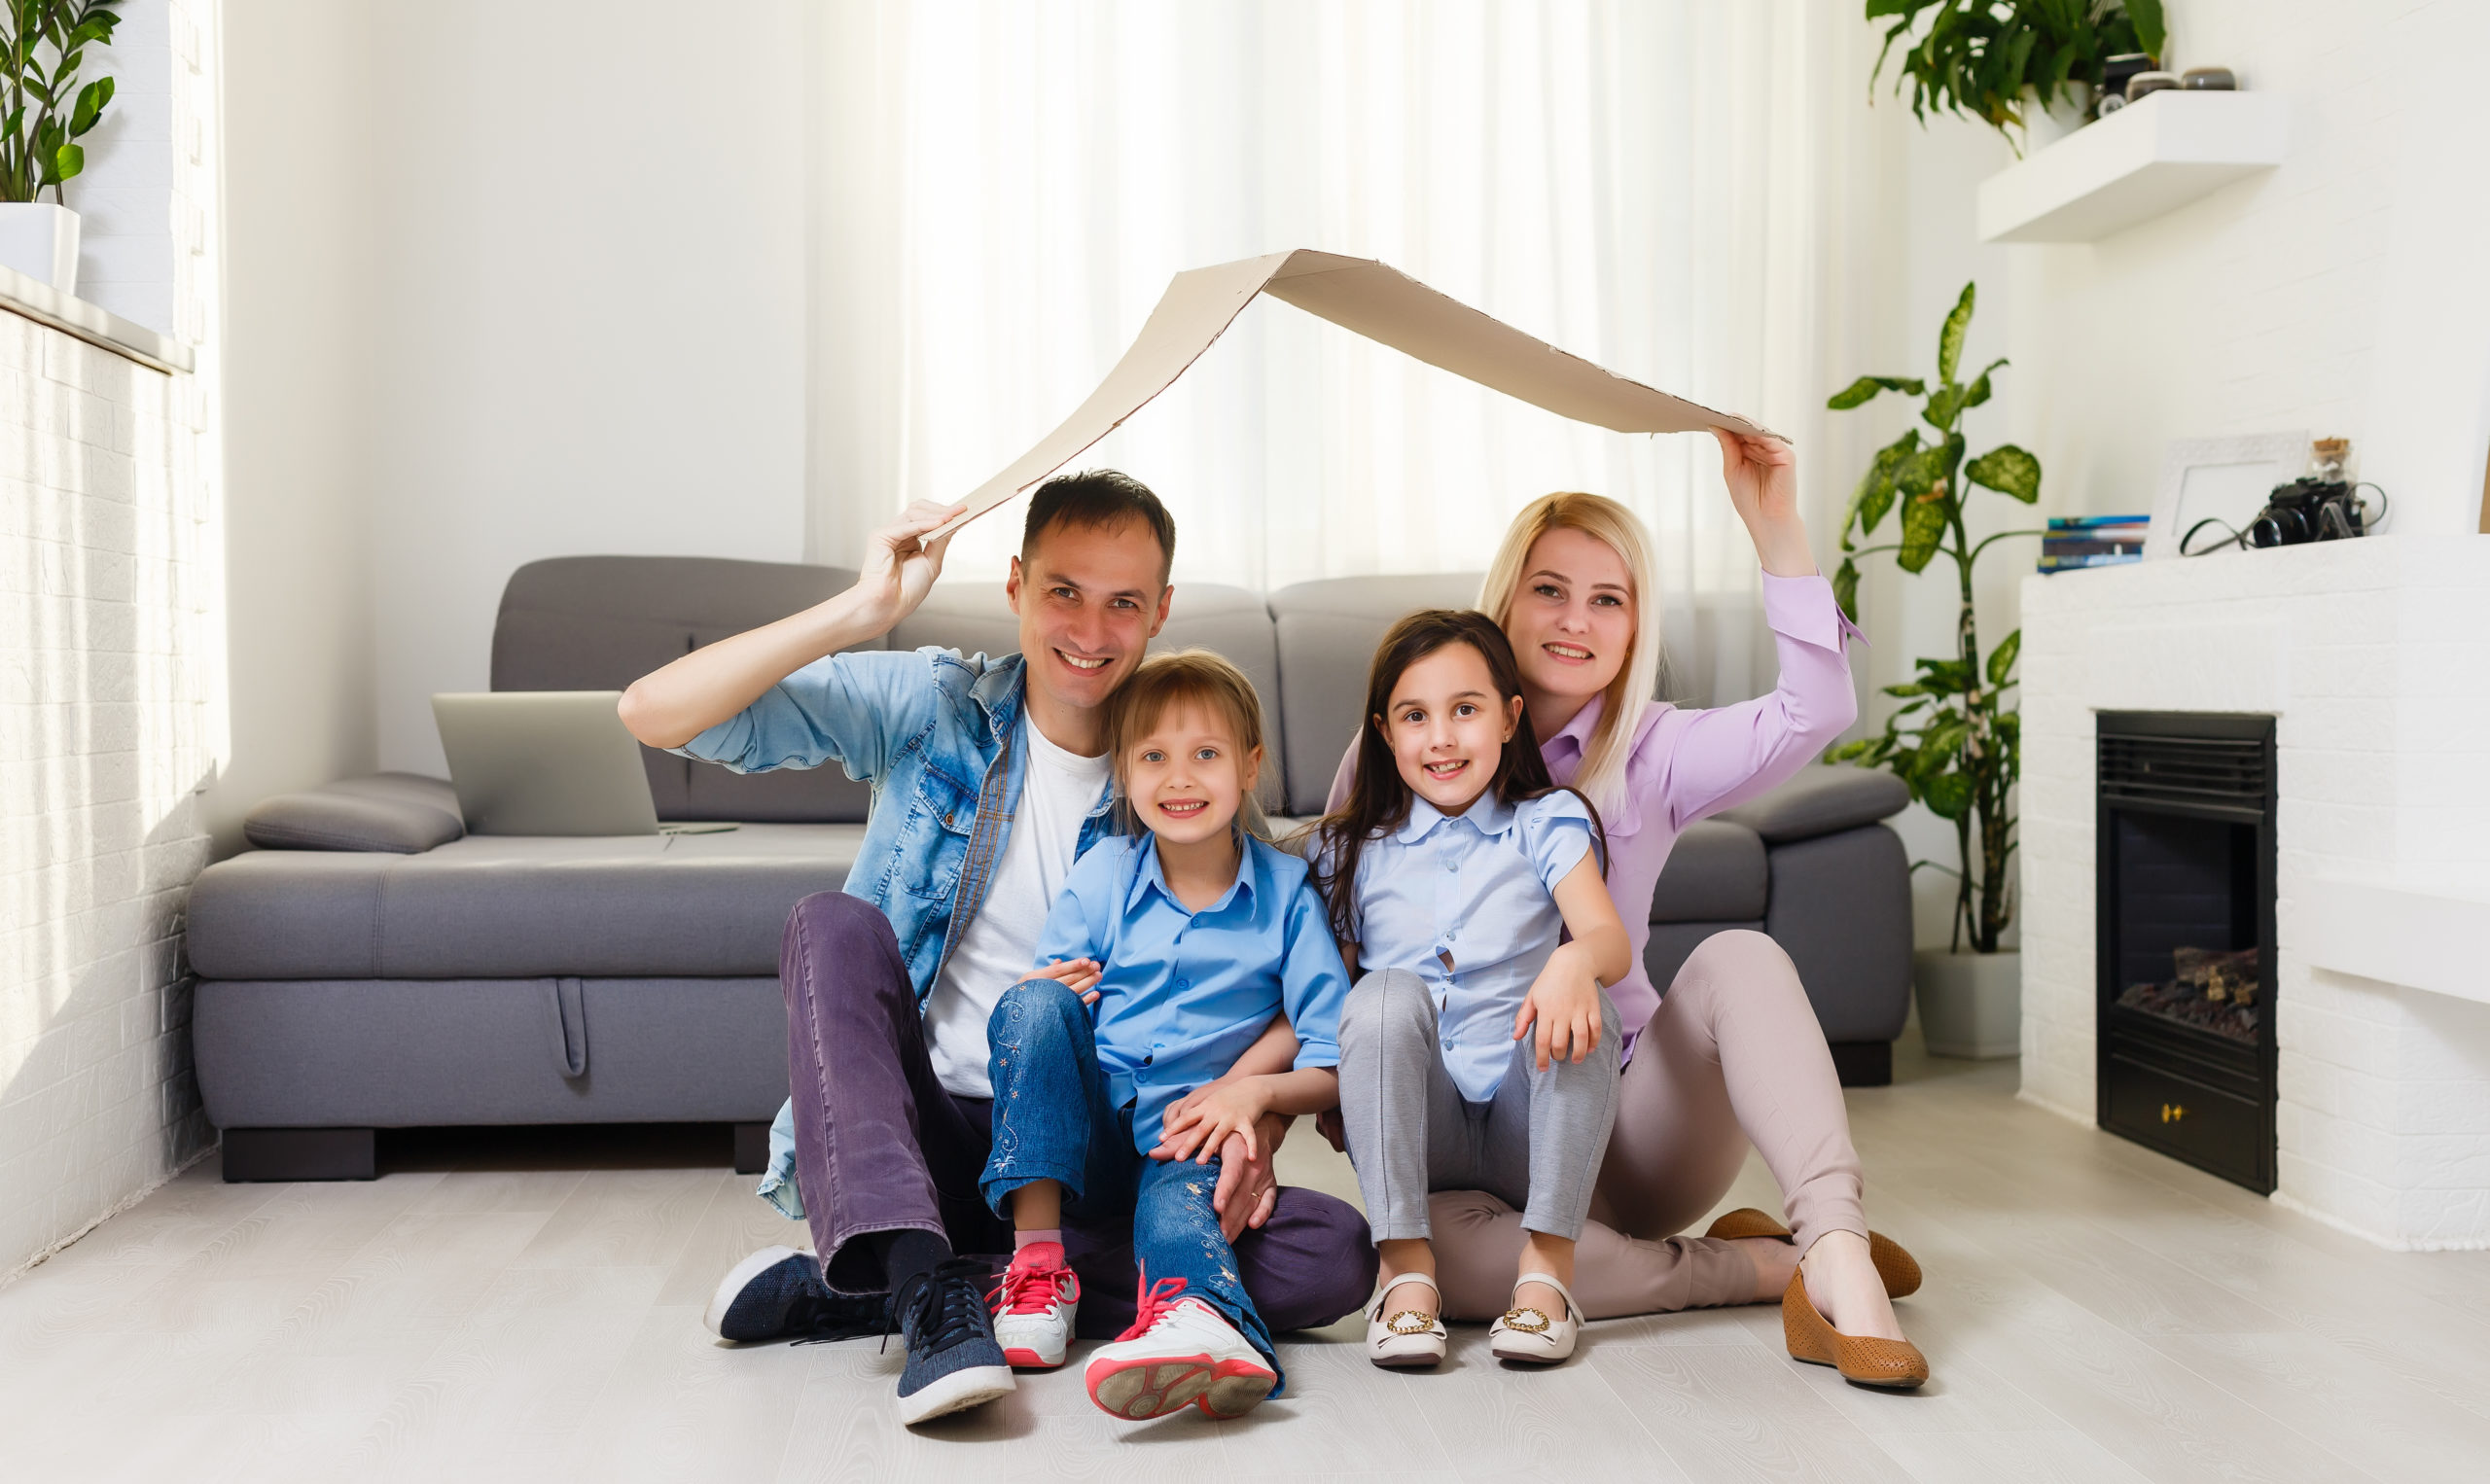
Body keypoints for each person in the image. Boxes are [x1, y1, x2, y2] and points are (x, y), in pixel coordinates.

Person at [619, 471, 1374, 1426]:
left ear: (1160, 611)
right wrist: (860, 608)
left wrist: (1254, 1114)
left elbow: (1268, 974)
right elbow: (655, 711)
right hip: (926, 1138)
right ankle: (933, 1281)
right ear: (1016, 584)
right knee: (830, 925)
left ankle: (898, 1281)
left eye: (1123, 603)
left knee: (1334, 1254)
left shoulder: (1190, 767)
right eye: (1064, 591)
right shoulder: (937, 706)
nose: (1090, 632)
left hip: (1099, 1154)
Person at [1327, 432, 1929, 1389]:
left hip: (1626, 1126)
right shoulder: (1406, 747)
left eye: (1608, 598)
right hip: (1457, 1151)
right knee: (1422, 1263)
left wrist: (1774, 523)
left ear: (1636, 622)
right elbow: (1335, 949)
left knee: (1738, 956)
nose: (1575, 620)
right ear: (1506, 598)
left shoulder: (1654, 750)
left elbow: (1813, 711)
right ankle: (1755, 1267)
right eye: (1550, 590)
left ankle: (1835, 1249)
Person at [983, 651, 1348, 1422]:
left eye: (1205, 755)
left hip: (1186, 1136)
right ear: (1124, 771)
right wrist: (1040, 999)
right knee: (1031, 1004)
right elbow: (1045, 1023)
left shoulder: (1285, 895)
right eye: (1154, 757)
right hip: (1084, 1140)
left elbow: (1330, 1054)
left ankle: (1196, 1320)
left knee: (1217, 1197)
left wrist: (1252, 1092)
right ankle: (1038, 1267)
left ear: (1249, 768)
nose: (1179, 779)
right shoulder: (1104, 873)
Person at [1313, 610, 1632, 1369]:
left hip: (1530, 1123)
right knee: (1381, 992)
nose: (1443, 738)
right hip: (1420, 1135)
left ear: (1510, 718)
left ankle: (1548, 1276)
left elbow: (1608, 942)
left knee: (1589, 1003)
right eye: (1415, 717)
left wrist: (1572, 963)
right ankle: (1405, 1273)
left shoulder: (1545, 821)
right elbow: (1334, 1002)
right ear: (1385, 735)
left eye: (1465, 710)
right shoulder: (1350, 847)